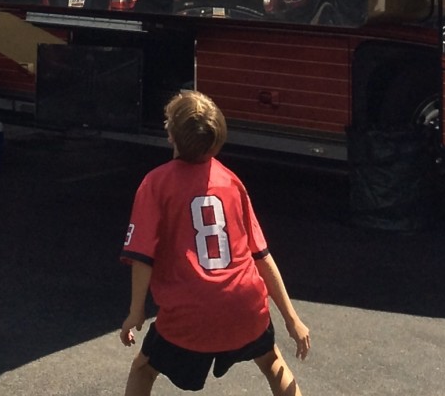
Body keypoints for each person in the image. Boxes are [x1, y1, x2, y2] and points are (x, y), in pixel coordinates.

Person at [120, 90, 311, 394]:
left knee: (143, 370)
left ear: (171, 135)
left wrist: (135, 310)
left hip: (189, 313)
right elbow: (261, 256)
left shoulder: (156, 183)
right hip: (244, 305)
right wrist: (292, 318)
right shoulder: (232, 182)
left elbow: (142, 256)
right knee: (274, 365)